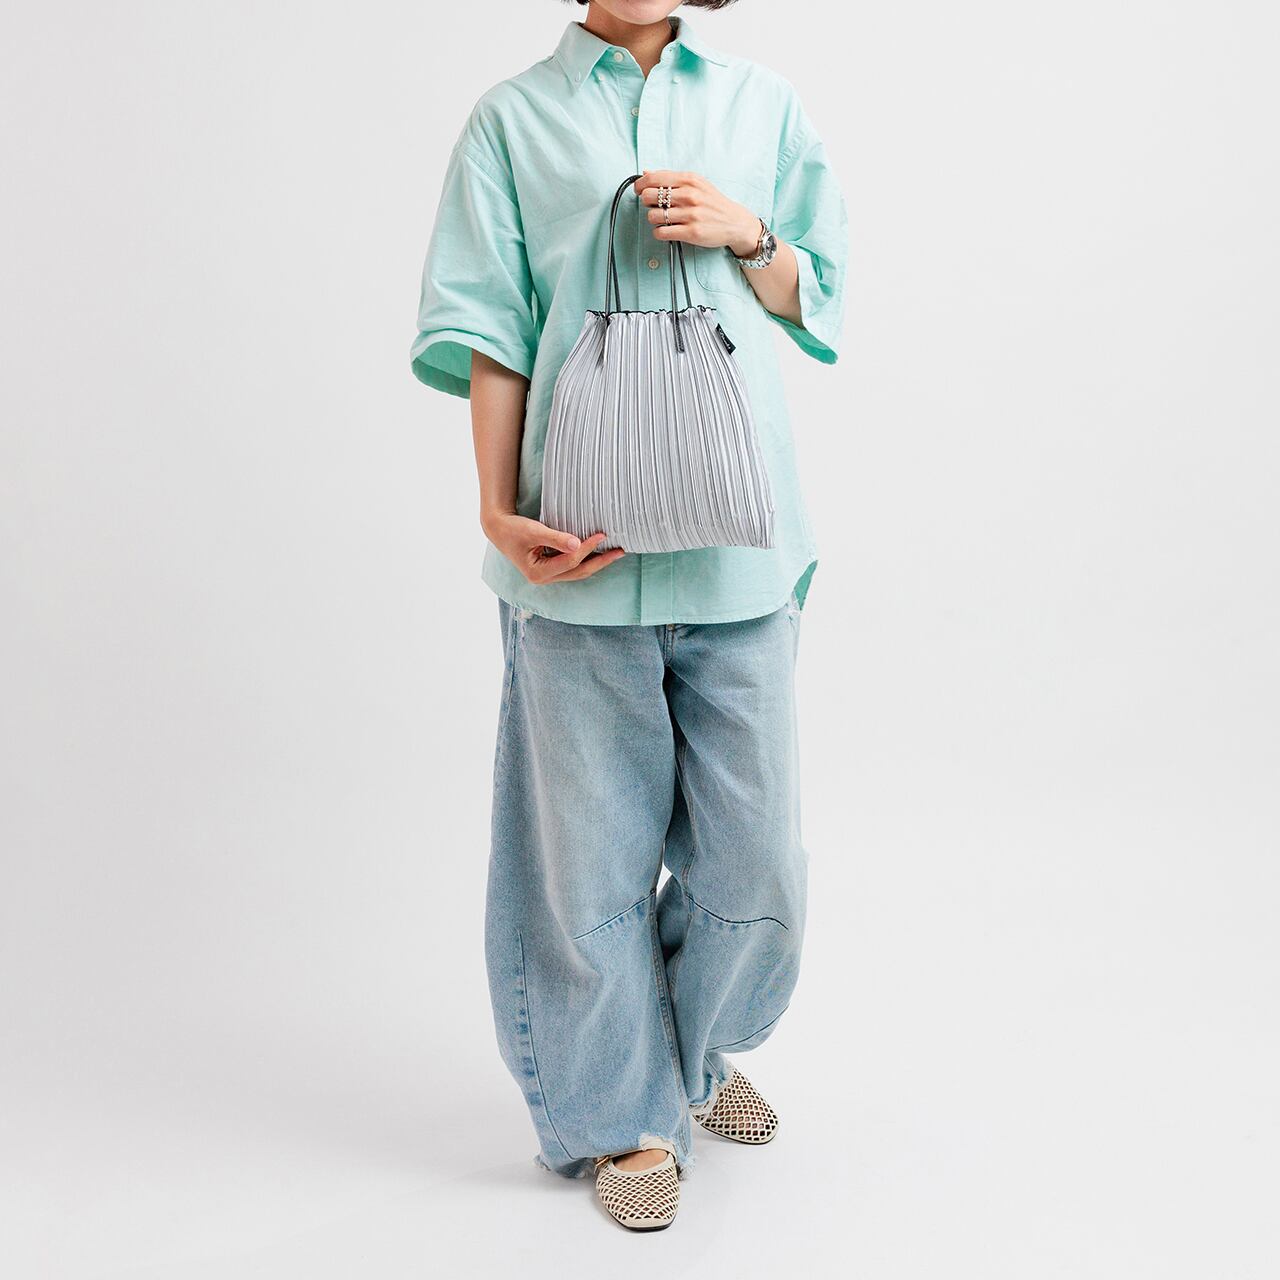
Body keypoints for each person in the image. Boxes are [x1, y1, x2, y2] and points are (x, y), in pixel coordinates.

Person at [409, 0, 847, 1232]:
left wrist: (745, 231)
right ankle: (626, 1115)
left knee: (757, 864)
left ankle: (686, 1054)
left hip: (738, 559)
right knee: (586, 872)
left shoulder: (761, 103)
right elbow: (492, 329)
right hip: (577, 561)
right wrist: (496, 508)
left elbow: (819, 292)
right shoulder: (512, 121)